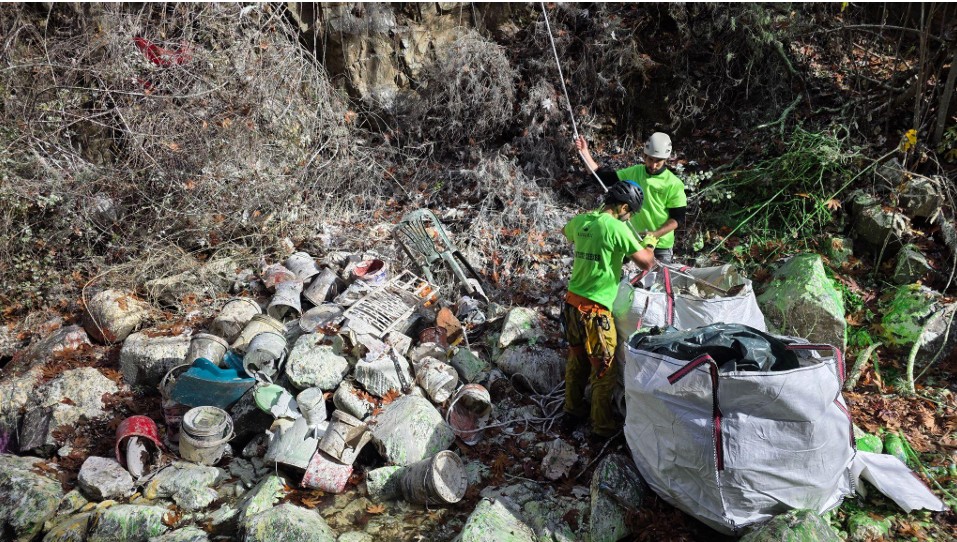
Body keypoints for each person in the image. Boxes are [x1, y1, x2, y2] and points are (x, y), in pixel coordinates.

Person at [562, 180, 655, 438]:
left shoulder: (583, 221)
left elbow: (565, 232)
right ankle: (601, 428)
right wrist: (649, 242)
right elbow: (646, 263)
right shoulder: (617, 227)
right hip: (595, 312)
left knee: (577, 358)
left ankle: (572, 410)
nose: (630, 217)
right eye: (631, 213)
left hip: (571, 304)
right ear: (624, 207)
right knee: (604, 368)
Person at [575, 133, 687, 263]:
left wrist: (654, 234)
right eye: (650, 159)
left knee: (658, 283)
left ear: (665, 160)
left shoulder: (673, 183)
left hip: (660, 246)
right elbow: (602, 178)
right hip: (631, 240)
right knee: (622, 281)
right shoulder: (635, 172)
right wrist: (585, 153)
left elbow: (677, 219)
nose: (653, 165)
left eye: (658, 161)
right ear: (645, 155)